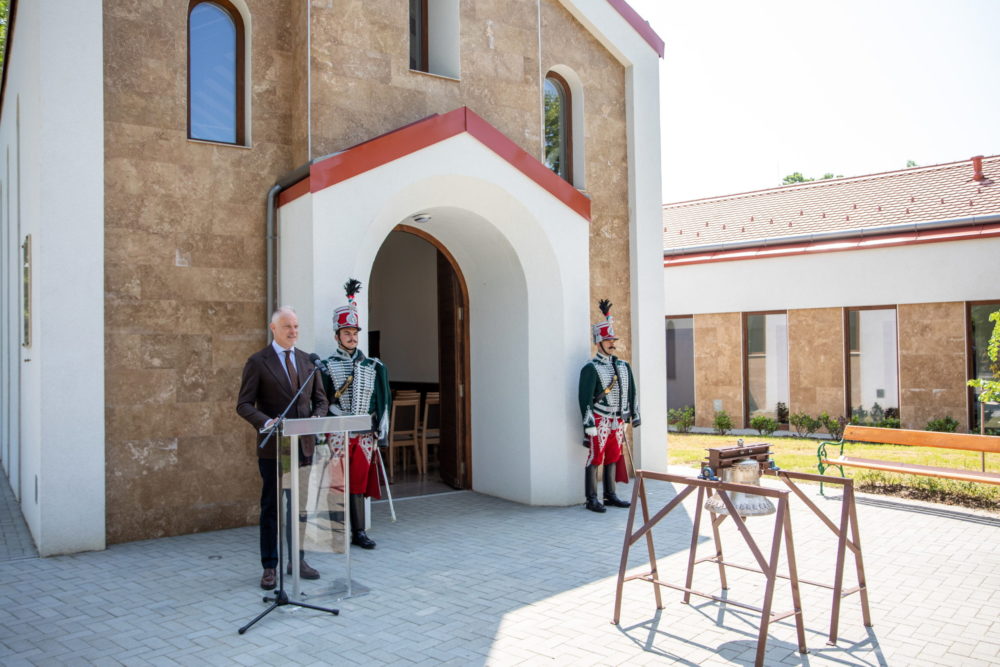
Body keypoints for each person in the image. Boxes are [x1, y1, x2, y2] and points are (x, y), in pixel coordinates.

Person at [237, 306, 329, 590]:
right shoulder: (258, 362)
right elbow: (244, 404)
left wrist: (316, 420)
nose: (293, 331)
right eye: (288, 326)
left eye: (296, 326)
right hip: (275, 448)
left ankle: (297, 561)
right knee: (272, 508)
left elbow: (321, 400)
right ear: (273, 328)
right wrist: (266, 422)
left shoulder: (307, 361)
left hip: (302, 447)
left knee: (300, 507)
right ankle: (270, 566)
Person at [318, 279, 391, 549]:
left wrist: (381, 431)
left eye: (354, 333)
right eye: (346, 333)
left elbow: (383, 401)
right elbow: (322, 401)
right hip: (337, 432)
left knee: (358, 482)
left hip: (364, 434)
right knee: (337, 481)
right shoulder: (326, 366)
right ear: (337, 336)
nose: (352, 337)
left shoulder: (374, 366)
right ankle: (337, 532)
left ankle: (358, 532)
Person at [578, 299, 640, 513]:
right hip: (599, 418)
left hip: (618, 419)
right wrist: (588, 424)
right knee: (596, 456)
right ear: (599, 343)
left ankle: (610, 494)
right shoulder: (591, 368)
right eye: (608, 340)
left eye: (613, 340)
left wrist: (630, 416)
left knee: (614, 455)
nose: (612, 343)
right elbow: (584, 398)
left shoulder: (623, 366)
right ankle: (591, 498)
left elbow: (631, 391)